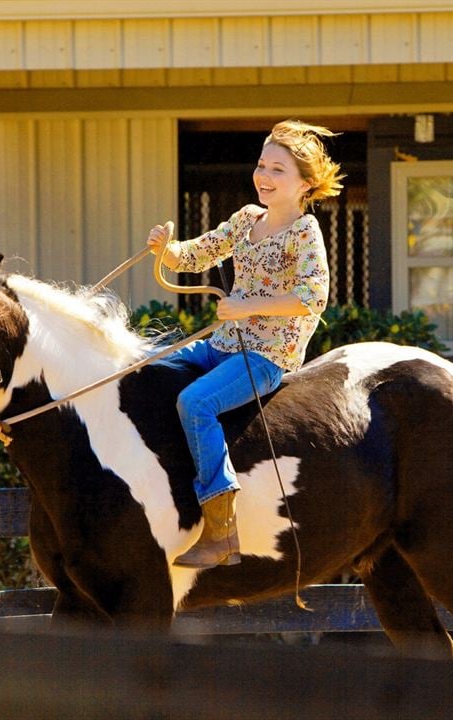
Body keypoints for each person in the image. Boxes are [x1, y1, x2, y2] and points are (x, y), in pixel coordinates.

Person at [146, 120, 343, 569]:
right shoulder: (245, 219)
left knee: (196, 404)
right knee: (150, 373)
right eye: (261, 165)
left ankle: (221, 531)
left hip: (265, 357)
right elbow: (196, 255)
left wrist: (246, 307)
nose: (264, 176)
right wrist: (166, 250)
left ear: (305, 184)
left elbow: (314, 297)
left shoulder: (304, 233)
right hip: (223, 343)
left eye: (278, 170)